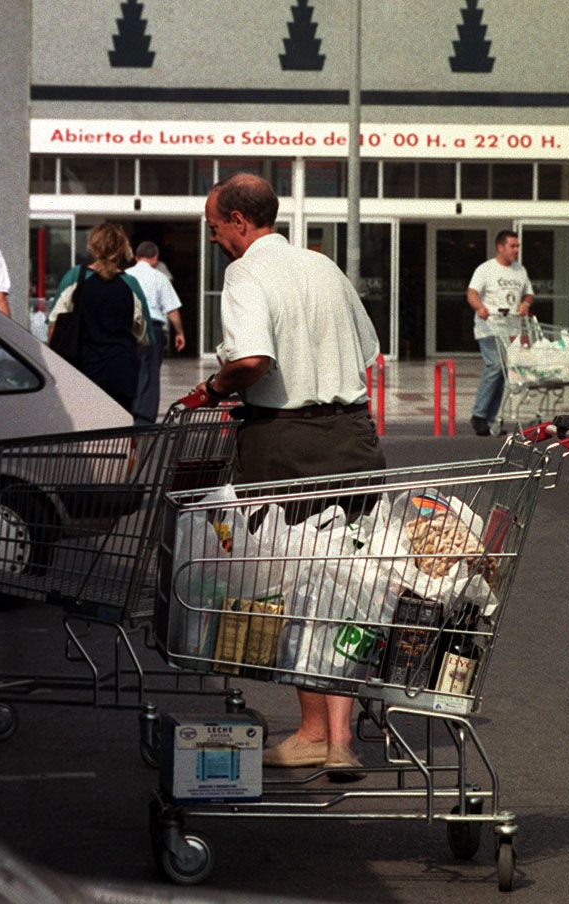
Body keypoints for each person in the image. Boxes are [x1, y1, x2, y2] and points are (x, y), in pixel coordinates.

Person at [188, 173, 383, 780]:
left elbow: (251, 360)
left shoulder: (246, 272)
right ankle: (337, 737)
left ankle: (312, 732)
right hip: (353, 437)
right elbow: (369, 351)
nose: (214, 237)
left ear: (240, 222)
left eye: (215, 226)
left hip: (283, 443)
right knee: (344, 584)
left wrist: (213, 387)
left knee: (291, 587)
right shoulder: (325, 268)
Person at [47, 223, 153, 414]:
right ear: (122, 249)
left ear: (92, 247)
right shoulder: (130, 285)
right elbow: (141, 337)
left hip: (83, 372)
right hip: (122, 374)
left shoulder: (75, 278)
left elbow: (54, 328)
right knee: (118, 432)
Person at [466, 229, 534, 435]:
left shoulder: (520, 270)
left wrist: (525, 304)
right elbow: (472, 293)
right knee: (495, 365)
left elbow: (529, 294)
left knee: (504, 373)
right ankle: (478, 415)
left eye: (518, 246)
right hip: (489, 327)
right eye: (512, 246)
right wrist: (480, 307)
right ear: (500, 247)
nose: (516, 250)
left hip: (510, 329)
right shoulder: (486, 269)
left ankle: (490, 419)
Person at [128, 241, 186, 425]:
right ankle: (144, 419)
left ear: (136, 257)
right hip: (152, 329)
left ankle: (127, 409)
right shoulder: (159, 277)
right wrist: (180, 332)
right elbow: (172, 309)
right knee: (150, 374)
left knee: (130, 370)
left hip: (128, 329)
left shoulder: (125, 276)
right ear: (155, 258)